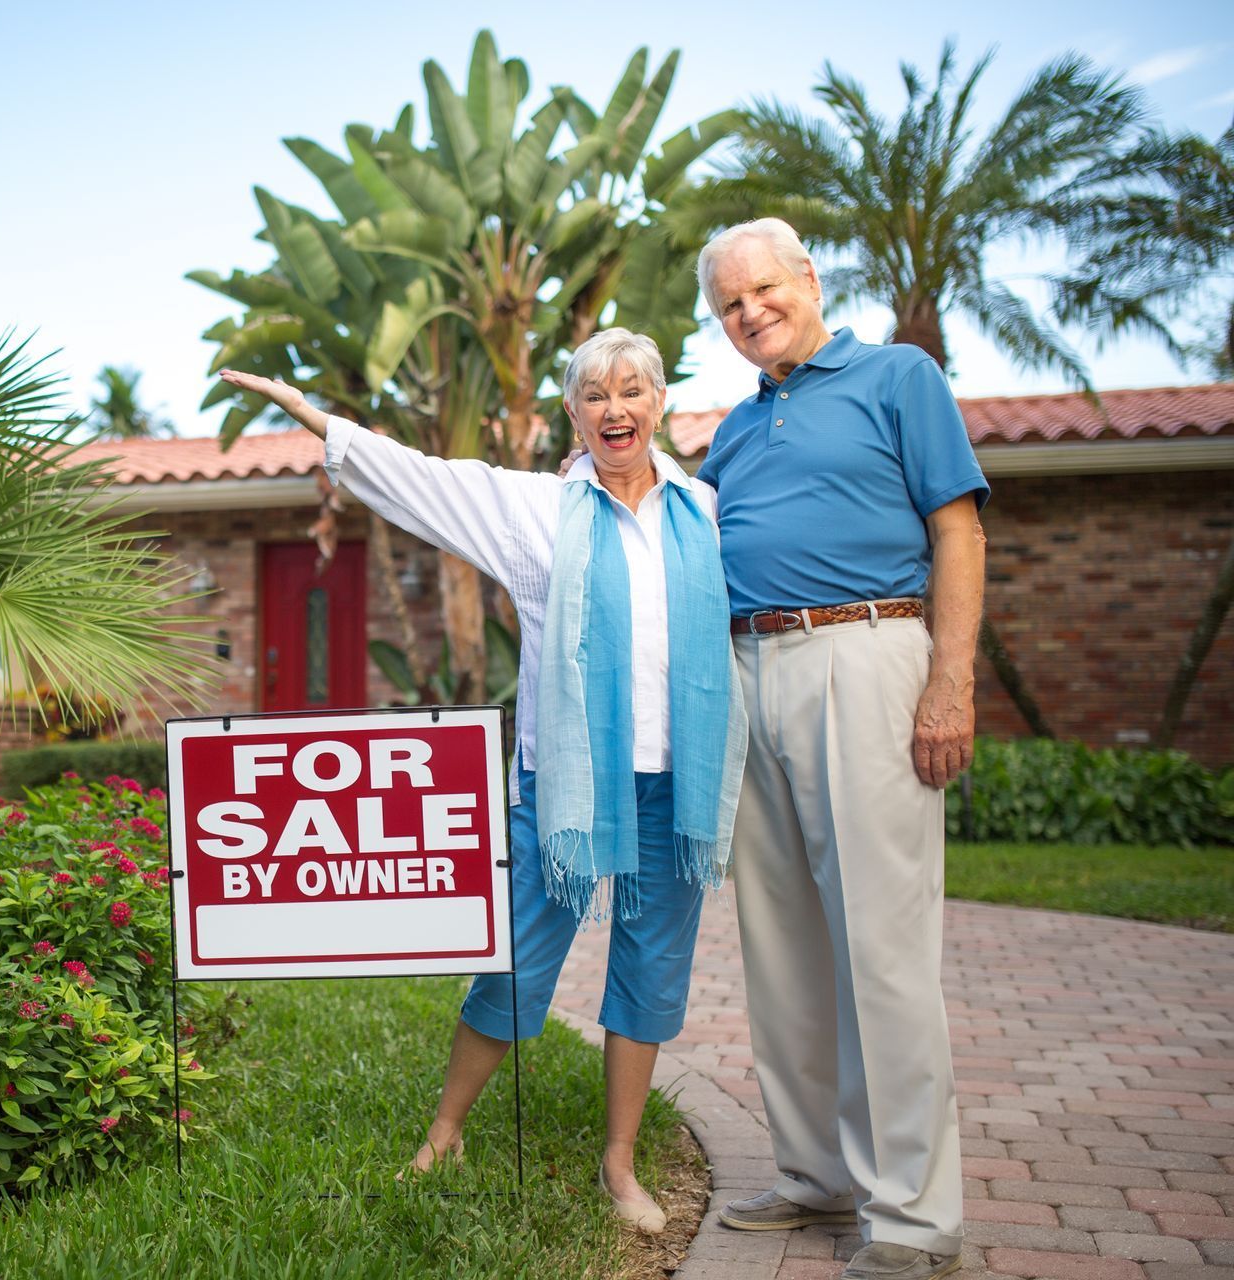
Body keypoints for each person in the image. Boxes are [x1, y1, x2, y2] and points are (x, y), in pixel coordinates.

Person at [219, 327, 745, 1234]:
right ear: (571, 415)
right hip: (566, 787)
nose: (614, 409)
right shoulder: (534, 508)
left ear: (660, 402)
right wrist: (318, 421)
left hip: (675, 780)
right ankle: (446, 1132)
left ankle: (618, 1163)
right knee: (515, 957)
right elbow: (420, 478)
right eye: (595, 395)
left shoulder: (701, 510)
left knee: (651, 967)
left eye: (631, 390)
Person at [695, 218, 986, 1280]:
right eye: (729, 305)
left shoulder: (898, 376)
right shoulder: (731, 429)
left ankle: (913, 1215)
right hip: (747, 672)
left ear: (809, 279)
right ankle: (816, 1172)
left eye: (764, 289)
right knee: (780, 942)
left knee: (883, 945)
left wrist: (948, 678)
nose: (750, 312)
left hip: (866, 652)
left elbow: (959, 528)